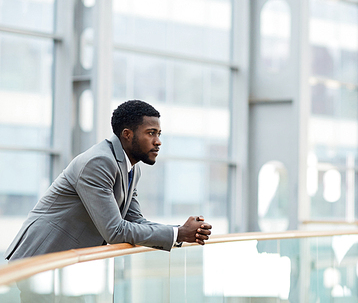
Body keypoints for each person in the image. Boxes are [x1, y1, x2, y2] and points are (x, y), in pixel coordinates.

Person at [5, 99, 212, 262]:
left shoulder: (131, 169)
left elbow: (135, 221)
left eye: (159, 134)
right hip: (38, 261)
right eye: (151, 133)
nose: (158, 141)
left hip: (65, 265)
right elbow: (115, 230)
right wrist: (178, 233)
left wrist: (181, 231)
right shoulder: (99, 162)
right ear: (127, 135)